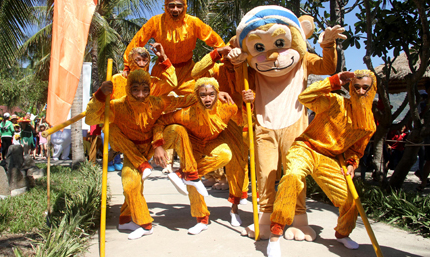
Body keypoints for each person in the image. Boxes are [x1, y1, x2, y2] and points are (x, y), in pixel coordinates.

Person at [85, 69, 206, 240]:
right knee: (130, 183)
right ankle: (144, 224)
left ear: (150, 89)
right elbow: (90, 119)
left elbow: (183, 100)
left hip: (153, 146)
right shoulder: (117, 106)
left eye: (145, 90)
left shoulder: (157, 102)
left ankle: (191, 175)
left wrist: (214, 92)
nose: (141, 95)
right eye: (135, 89)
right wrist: (99, 95)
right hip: (131, 151)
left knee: (177, 130)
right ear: (128, 89)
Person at [266, 70, 377, 257]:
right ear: (350, 87)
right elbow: (305, 97)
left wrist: (351, 163)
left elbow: (357, 149)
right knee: (292, 176)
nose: (359, 91)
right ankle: (275, 234)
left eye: (365, 88)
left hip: (329, 158)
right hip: (306, 149)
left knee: (350, 200)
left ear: (372, 90)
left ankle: (342, 234)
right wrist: (333, 81)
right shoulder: (336, 102)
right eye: (356, 87)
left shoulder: (370, 124)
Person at [152, 77, 241, 235]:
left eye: (211, 94)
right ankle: (201, 219)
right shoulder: (186, 113)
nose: (208, 99)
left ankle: (184, 175)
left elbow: (243, 120)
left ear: (217, 93)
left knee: (225, 154)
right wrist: (158, 144)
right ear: (196, 96)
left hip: (213, 142)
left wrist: (250, 103)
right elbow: (161, 121)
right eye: (203, 95)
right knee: (176, 131)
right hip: (192, 144)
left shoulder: (228, 108)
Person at [191, 39, 251, 226]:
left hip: (240, 121)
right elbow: (195, 73)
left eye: (236, 51)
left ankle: (234, 208)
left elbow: (259, 89)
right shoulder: (216, 70)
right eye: (229, 52)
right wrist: (216, 52)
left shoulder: (249, 70)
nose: (231, 56)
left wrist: (253, 96)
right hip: (214, 121)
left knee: (238, 164)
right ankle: (189, 177)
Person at [123, 0, 225, 94]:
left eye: (179, 6)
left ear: (184, 7)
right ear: (165, 7)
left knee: (197, 98)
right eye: (171, 6)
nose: (175, 10)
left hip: (187, 73)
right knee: (155, 101)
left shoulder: (193, 22)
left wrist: (226, 57)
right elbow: (137, 40)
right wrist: (127, 65)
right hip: (162, 71)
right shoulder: (155, 22)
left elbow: (214, 39)